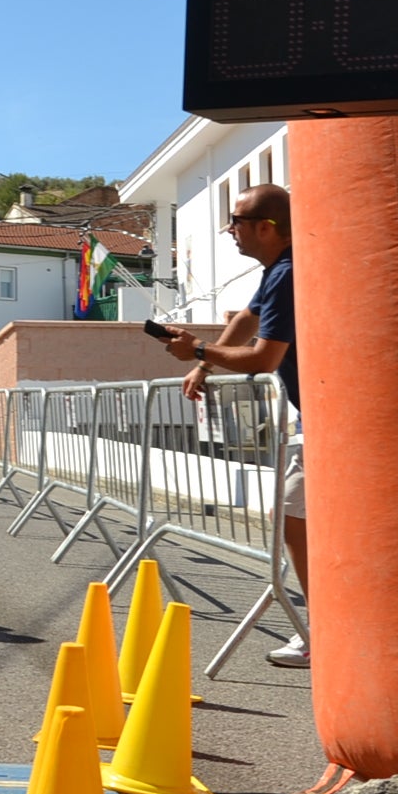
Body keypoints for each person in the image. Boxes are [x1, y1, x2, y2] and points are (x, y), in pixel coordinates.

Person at [160, 182, 307, 668]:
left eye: (236, 221)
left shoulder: (288, 273)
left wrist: (200, 351)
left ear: (266, 228)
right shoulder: (276, 273)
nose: (229, 229)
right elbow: (248, 317)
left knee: (291, 517)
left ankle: (320, 632)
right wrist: (204, 365)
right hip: (316, 416)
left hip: (328, 420)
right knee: (295, 519)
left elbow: (264, 358)